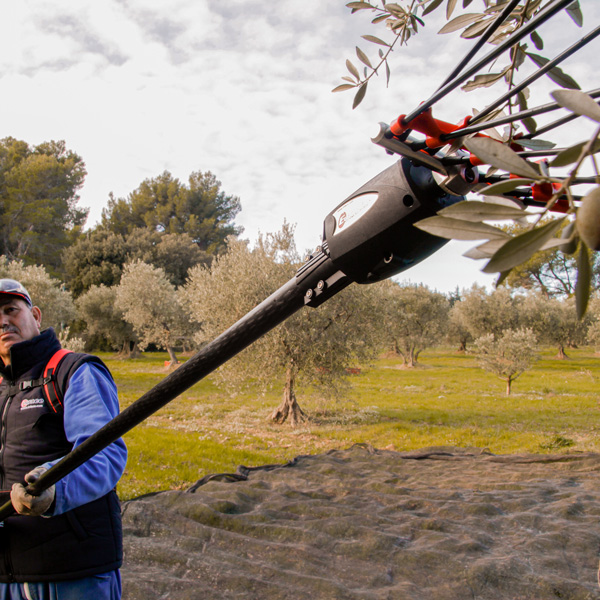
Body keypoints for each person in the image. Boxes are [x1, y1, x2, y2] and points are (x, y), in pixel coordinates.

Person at [0, 279, 127, 600]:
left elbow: (105, 455)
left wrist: (55, 490)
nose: (2, 322)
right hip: (6, 573)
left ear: (36, 315)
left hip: (72, 570)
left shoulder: (73, 371)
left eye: (10, 310)